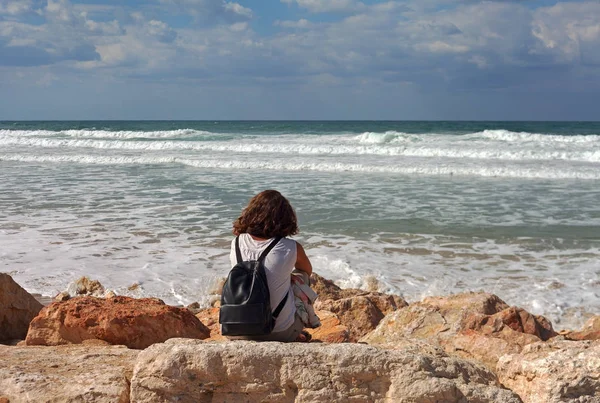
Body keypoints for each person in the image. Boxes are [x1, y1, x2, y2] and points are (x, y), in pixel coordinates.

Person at [230, 189, 313, 342]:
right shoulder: (290, 247)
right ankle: (294, 330)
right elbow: (307, 271)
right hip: (278, 332)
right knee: (302, 277)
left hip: (234, 329)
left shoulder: (236, 242)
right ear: (286, 218)